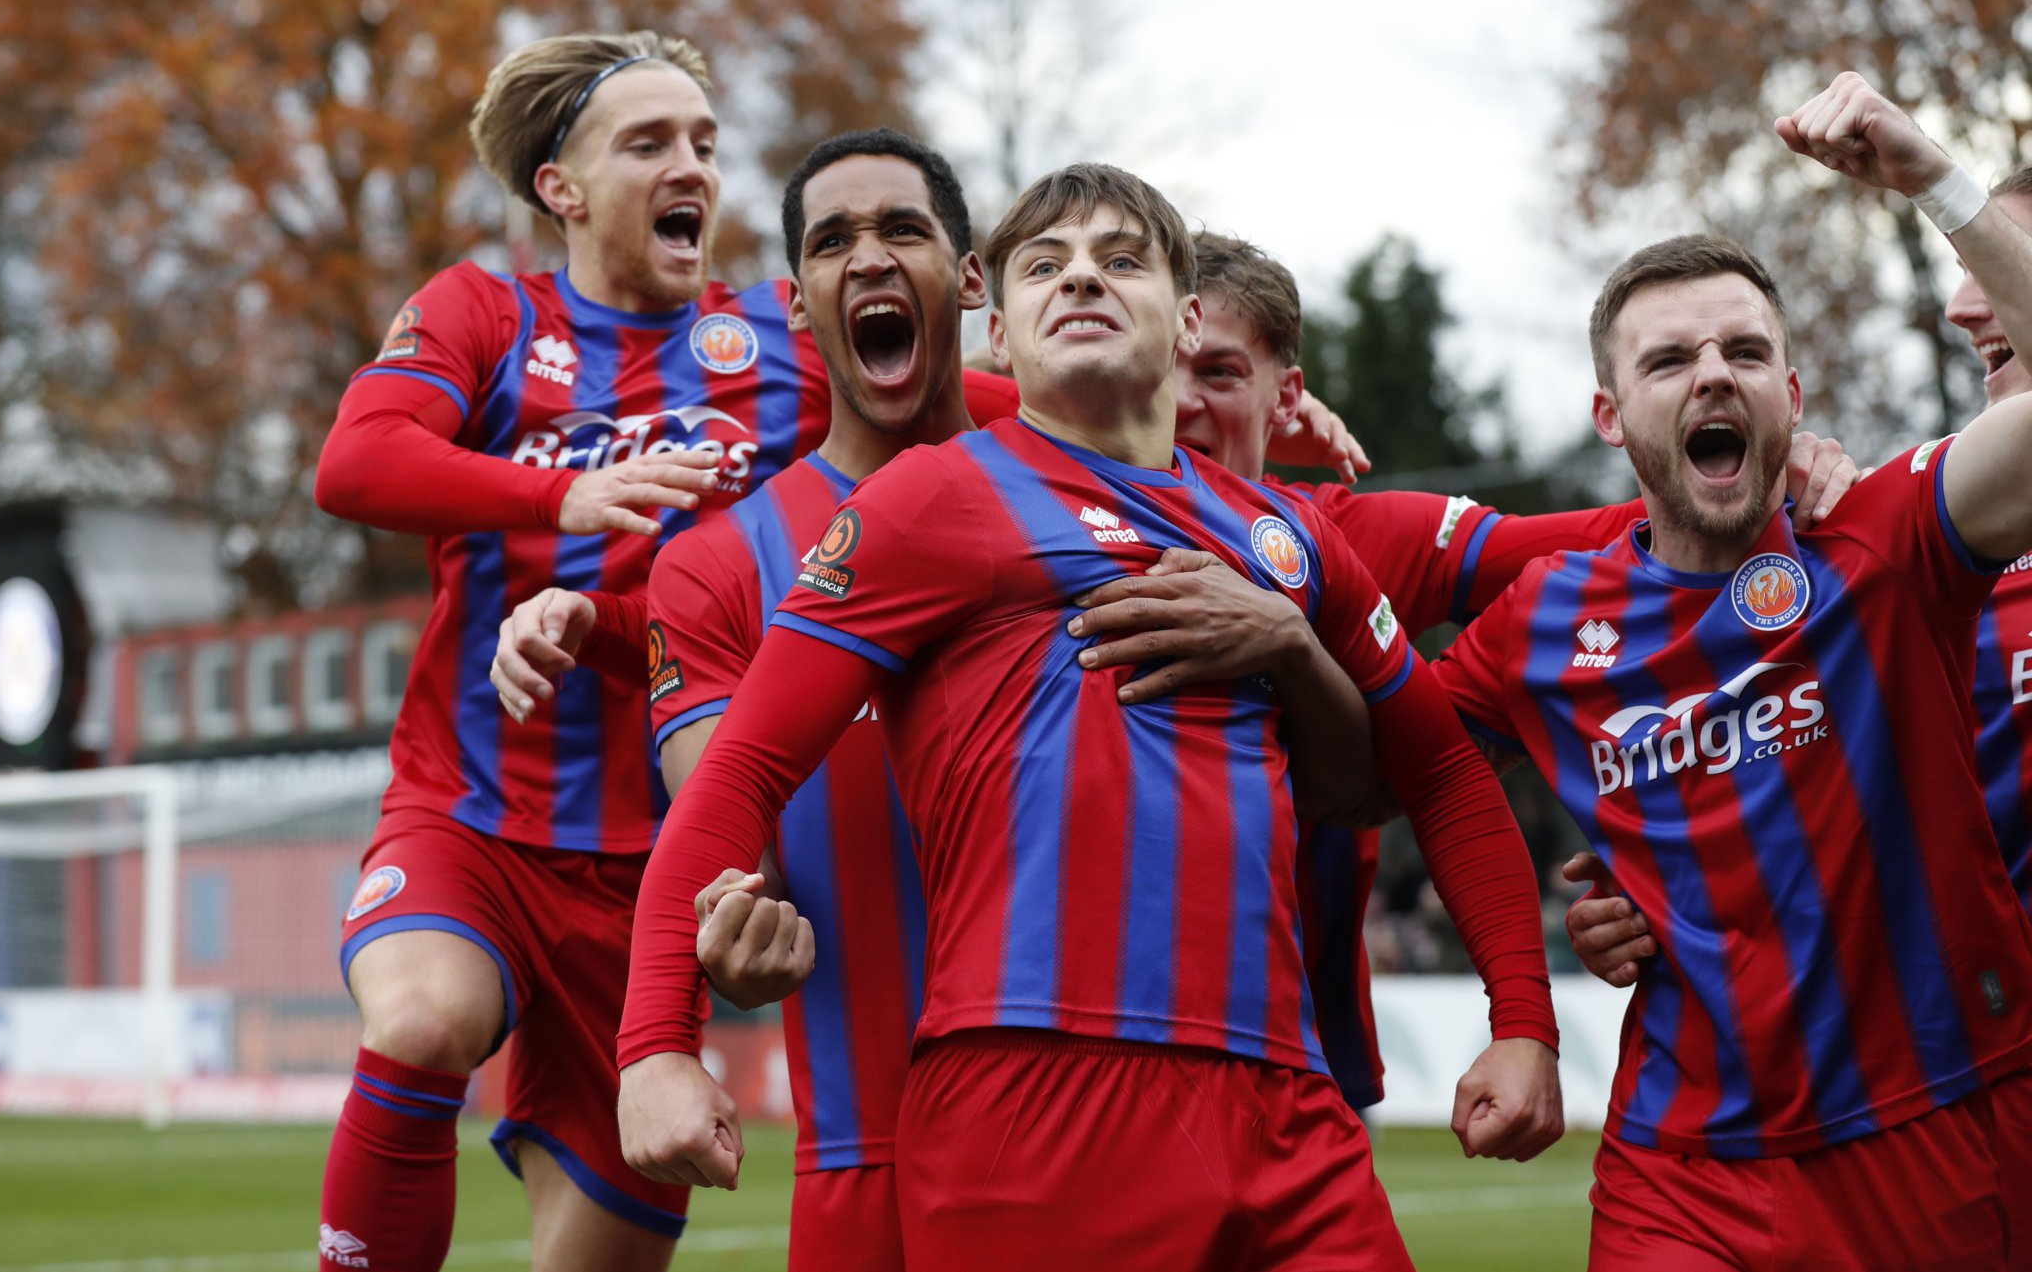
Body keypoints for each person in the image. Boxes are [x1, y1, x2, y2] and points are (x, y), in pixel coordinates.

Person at [617, 163, 1563, 1271]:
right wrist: (655, 1045)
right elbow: (744, 770)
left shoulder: (1288, 539)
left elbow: (1442, 775)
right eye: (1043, 266)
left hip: (1288, 1103)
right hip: (1033, 1098)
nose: (1081, 279)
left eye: (1121, 260)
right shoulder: (929, 501)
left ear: (1184, 316)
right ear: (999, 336)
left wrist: (1524, 1021)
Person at [1432, 73, 2032, 1269]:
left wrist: (1931, 179)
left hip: (1934, 1131)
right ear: (1609, 416)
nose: (1711, 372)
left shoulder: (1882, 538)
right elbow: (1390, 758)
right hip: (1680, 1167)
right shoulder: (1542, 621)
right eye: (1668, 361)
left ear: (1790, 395)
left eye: (1744, 350)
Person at [1068, 231, 1857, 1122]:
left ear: (1286, 394)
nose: (1179, 400)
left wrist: (1768, 466)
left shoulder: (1335, 537)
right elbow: (935, 403)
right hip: (1058, 1032)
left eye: (1218, 371)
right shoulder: (1025, 497)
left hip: (1294, 1052)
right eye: (1154, 362)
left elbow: (1446, 751)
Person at [312, 30, 834, 1271]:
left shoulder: (779, 345)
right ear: (564, 187)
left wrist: (1214, 398)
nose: (690, 166)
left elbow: (995, 414)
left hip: (660, 871)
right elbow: (356, 462)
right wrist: (559, 497)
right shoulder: (484, 313)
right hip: (473, 814)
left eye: (705, 144)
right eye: (649, 142)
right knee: (425, 1018)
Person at [644, 127, 984, 1270]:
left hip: (1114, 1133)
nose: (870, 257)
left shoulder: (1092, 503)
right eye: (834, 241)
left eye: (903, 229)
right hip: (867, 1157)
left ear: (969, 279)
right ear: (797, 305)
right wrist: (735, 932)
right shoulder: (717, 566)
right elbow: (727, 850)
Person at [1568, 162, 2032, 989]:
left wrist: (1931, 176)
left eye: (1998, 253)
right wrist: (1665, 870)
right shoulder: (1900, 546)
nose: (1962, 303)